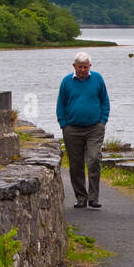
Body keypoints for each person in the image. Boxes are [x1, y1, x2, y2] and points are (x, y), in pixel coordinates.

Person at [56, 52, 110, 209]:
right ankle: (81, 197)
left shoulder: (98, 78)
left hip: (95, 128)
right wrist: (63, 124)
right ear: (74, 66)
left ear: (90, 66)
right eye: (80, 67)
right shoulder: (67, 81)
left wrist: (102, 121)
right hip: (72, 129)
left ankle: (94, 198)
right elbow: (61, 104)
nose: (83, 70)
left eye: (85, 67)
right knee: (76, 164)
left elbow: (104, 100)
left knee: (94, 159)